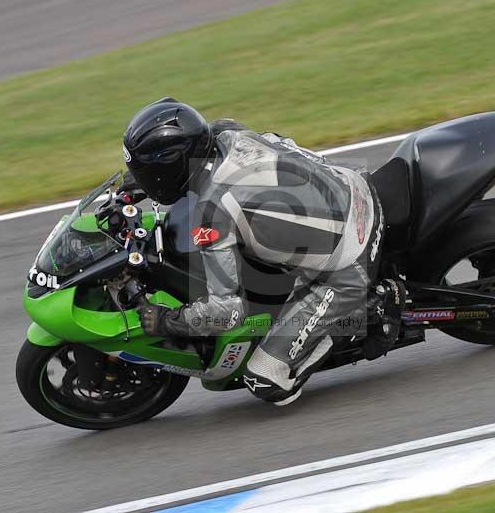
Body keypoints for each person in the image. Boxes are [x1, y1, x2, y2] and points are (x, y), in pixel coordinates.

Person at [122, 97, 404, 405]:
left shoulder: (213, 212)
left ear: (171, 166)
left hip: (351, 258)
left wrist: (167, 321)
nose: (144, 179)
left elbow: (227, 312)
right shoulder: (226, 133)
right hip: (351, 185)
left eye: (146, 173)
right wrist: (135, 185)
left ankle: (371, 307)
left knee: (265, 380)